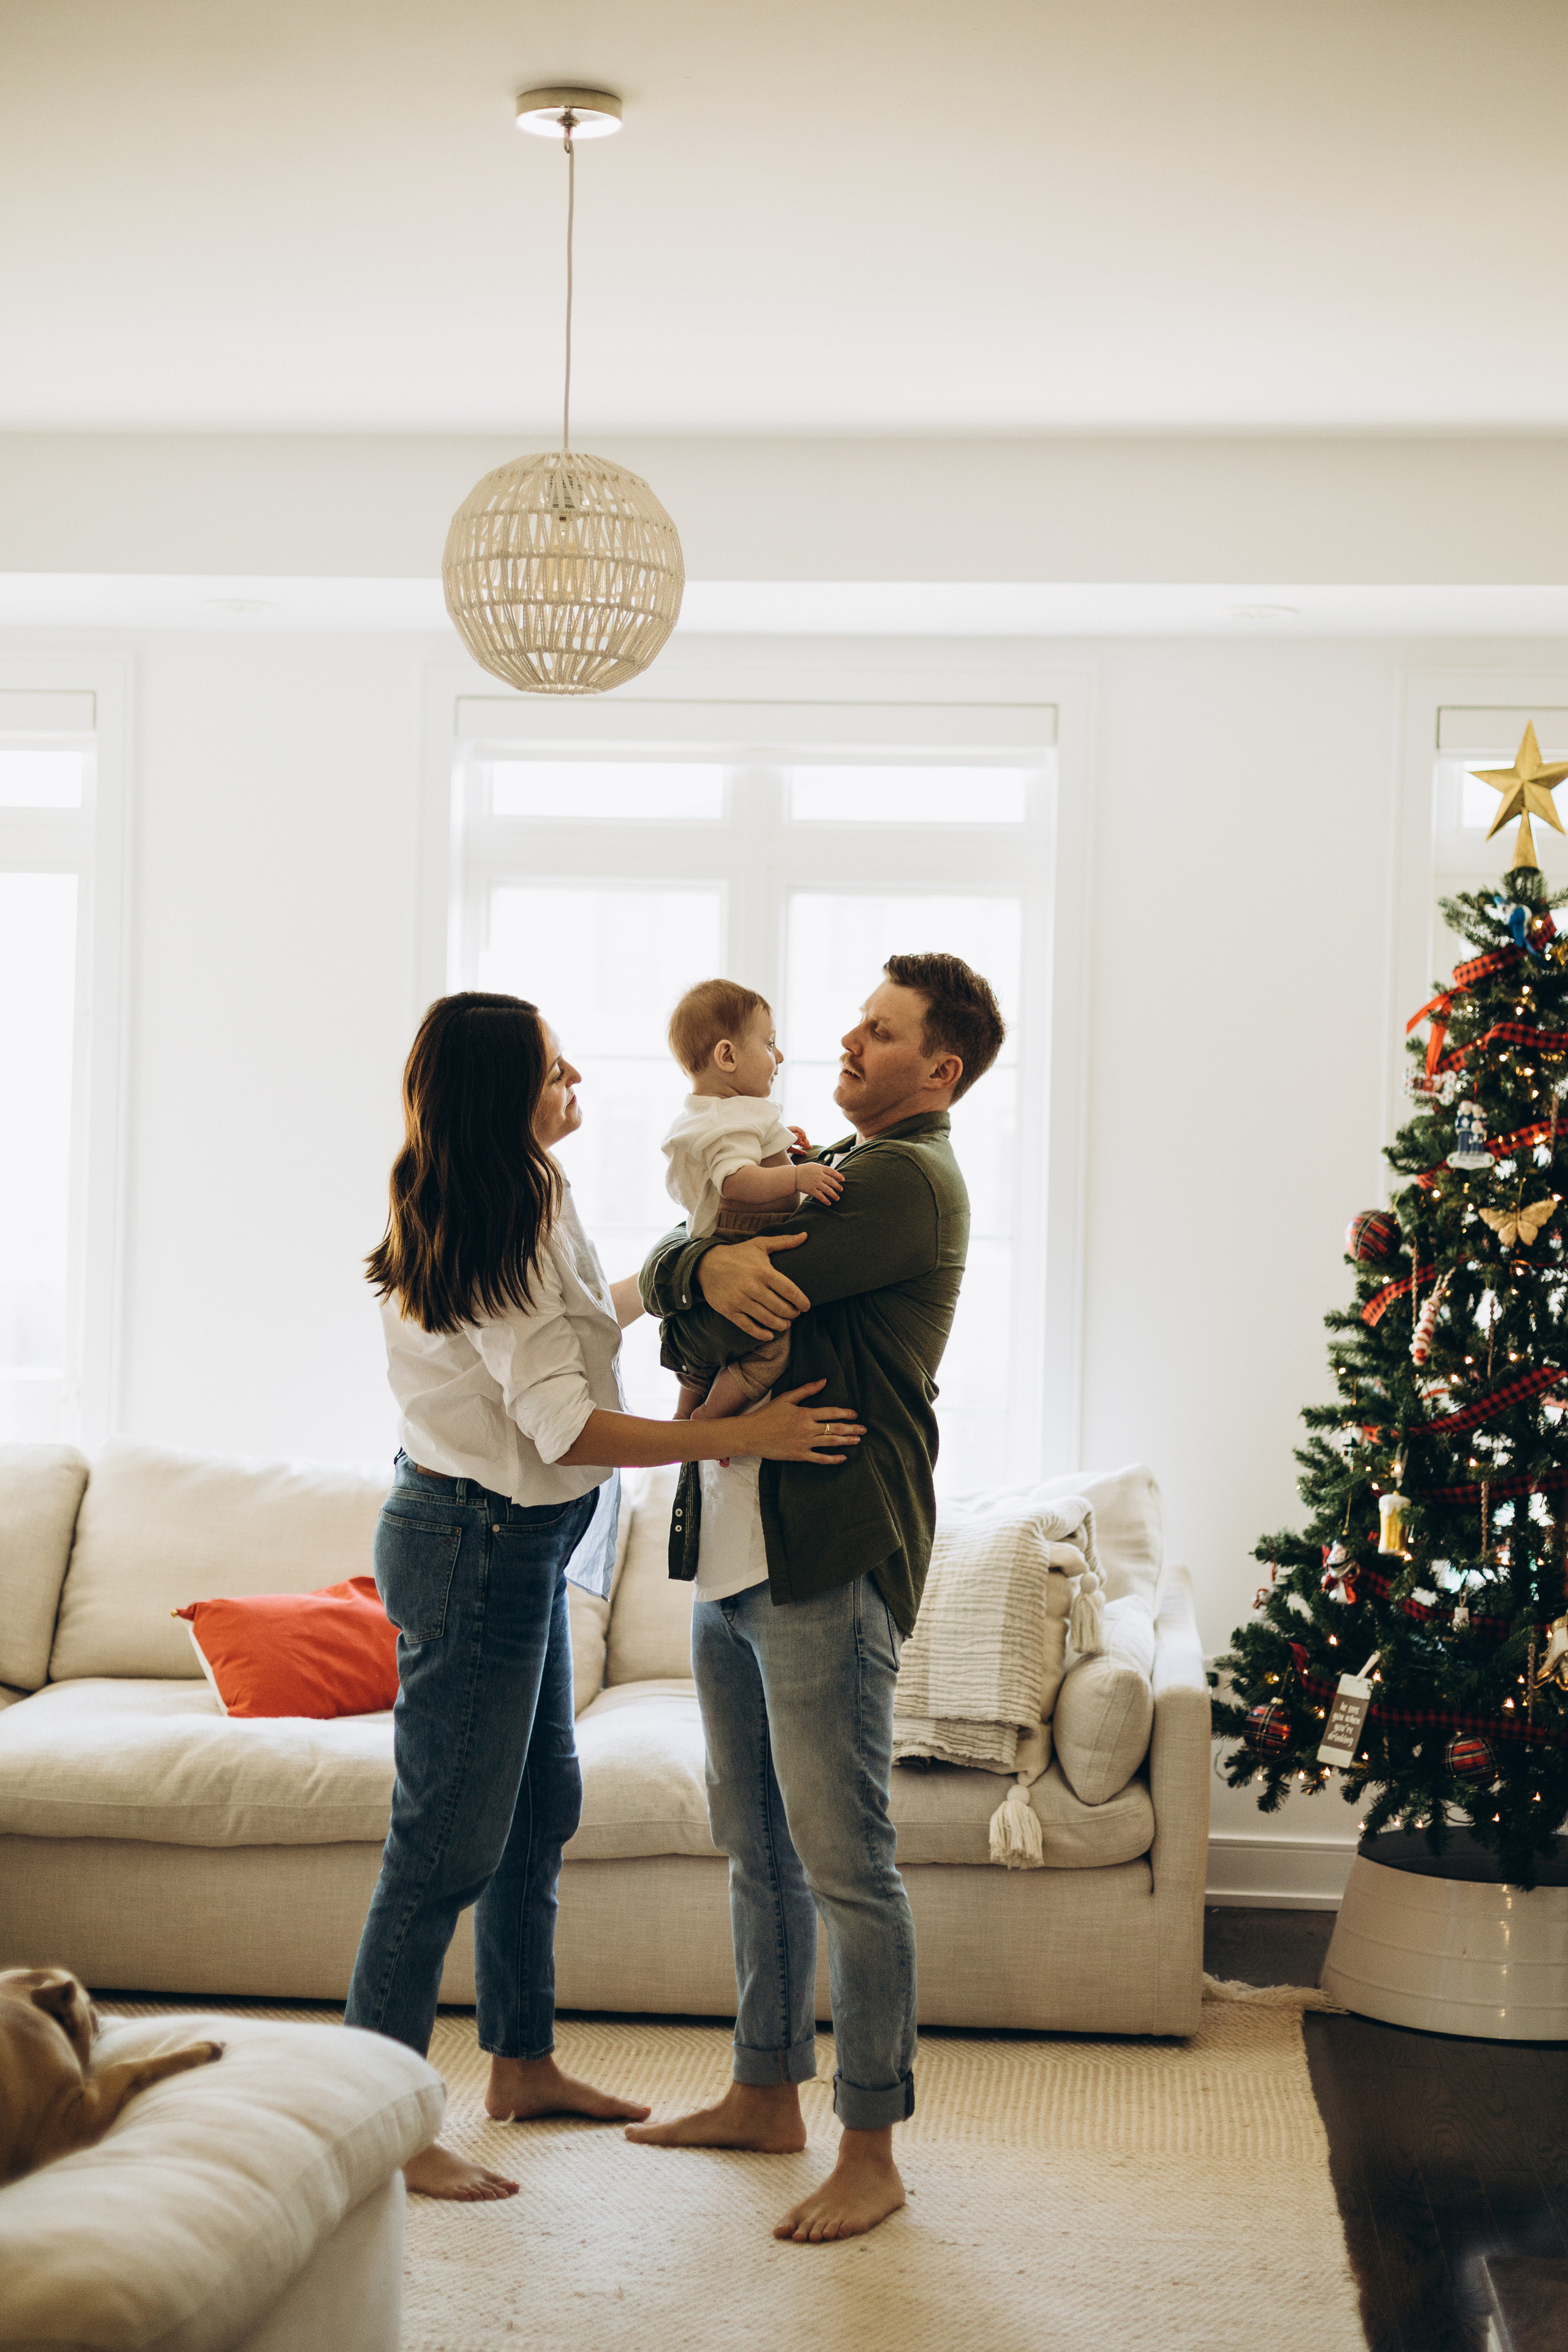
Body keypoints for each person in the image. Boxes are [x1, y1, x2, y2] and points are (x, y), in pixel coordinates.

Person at [346, 990, 865, 2203]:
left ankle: (520, 2067)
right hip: (473, 1541)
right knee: (443, 1847)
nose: (574, 1071)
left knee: (538, 1812)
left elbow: (581, 1326)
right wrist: (757, 1430)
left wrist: (689, 1274)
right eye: (549, 1063)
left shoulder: (530, 1189)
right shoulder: (498, 1220)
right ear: (496, 1093)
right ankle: (375, 2124)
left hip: (516, 1539)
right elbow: (568, 1426)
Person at [626, 952, 1006, 2245]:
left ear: (937, 1069)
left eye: (881, 1030)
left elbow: (724, 1253)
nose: (849, 1039)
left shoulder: (904, 1178)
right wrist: (697, 1274)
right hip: (737, 1548)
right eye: (853, 1021)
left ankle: (871, 2146)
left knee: (846, 1864)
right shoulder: (826, 1158)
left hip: (828, 1552)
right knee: (756, 1848)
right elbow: (694, 1291)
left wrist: (695, 1269)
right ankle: (761, 2091)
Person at [658, 978, 843, 1423]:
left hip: (718, 1238)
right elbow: (738, 1182)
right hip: (740, 1234)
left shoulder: (715, 1112)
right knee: (770, 1351)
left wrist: (783, 1148)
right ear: (727, 1056)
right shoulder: (732, 1116)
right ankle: (711, 1421)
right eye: (770, 1043)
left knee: (702, 1362)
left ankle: (685, 1416)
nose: (778, 1057)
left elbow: (748, 1153)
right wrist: (796, 1174)